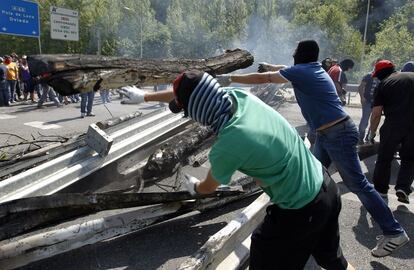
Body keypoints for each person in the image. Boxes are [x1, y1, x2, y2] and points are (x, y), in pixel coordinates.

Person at [119, 70, 354, 270]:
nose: (189, 116)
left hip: (303, 209)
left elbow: (207, 188)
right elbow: (194, 93)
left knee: (264, 251)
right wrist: (145, 97)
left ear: (198, 110)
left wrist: (195, 187)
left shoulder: (229, 143)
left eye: (186, 111)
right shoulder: (238, 97)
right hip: (324, 184)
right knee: (330, 258)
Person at [216, 40, 409, 257]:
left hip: (338, 134)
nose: (292, 54)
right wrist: (271, 65)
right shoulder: (312, 67)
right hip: (327, 135)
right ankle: (312, 231)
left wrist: (227, 79)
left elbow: (267, 79)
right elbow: (279, 70)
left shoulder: (303, 71)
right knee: (314, 179)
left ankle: (394, 232)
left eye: (295, 51)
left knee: (358, 184)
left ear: (300, 55)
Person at [369, 60, 414, 204]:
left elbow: (376, 113)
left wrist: (372, 133)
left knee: (384, 158)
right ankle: (403, 188)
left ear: (381, 73)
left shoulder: (384, 84)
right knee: (410, 159)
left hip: (393, 125)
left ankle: (381, 190)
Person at [357, 59, 381, 144]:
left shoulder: (383, 77)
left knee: (374, 120)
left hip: (377, 103)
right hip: (367, 101)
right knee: (365, 120)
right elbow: (361, 87)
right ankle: (360, 137)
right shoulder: (368, 76)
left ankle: (369, 137)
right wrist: (362, 97)